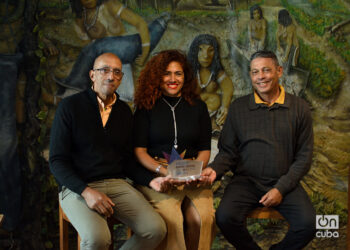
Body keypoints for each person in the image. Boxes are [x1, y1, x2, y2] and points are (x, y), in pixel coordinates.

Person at [49, 52, 167, 250]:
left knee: (155, 229)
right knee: (98, 239)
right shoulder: (70, 107)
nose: (111, 76)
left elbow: (127, 161)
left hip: (115, 184)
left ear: (121, 78)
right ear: (92, 75)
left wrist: (151, 179)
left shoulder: (123, 111)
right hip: (77, 186)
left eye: (117, 72)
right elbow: (57, 160)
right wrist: (85, 191)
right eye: (104, 70)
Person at [202, 50, 315, 250]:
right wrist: (214, 170)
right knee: (225, 217)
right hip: (246, 182)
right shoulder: (238, 108)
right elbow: (228, 151)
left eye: (266, 70)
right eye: (255, 72)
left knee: (308, 225)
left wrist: (281, 188)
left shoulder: (299, 108)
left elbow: (304, 157)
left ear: (279, 71)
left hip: (284, 182)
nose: (260, 77)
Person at [133, 50, 215, 250]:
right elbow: (139, 151)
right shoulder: (145, 107)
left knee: (200, 219)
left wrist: (196, 171)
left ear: (185, 76)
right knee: (172, 220)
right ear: (157, 77)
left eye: (178, 73)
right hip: (159, 174)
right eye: (167, 73)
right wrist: (164, 172)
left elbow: (205, 148)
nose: (173, 79)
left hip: (192, 174)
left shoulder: (199, 107)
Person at [188, 34, 233, 130]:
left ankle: (208, 125)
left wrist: (225, 107)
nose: (206, 55)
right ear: (194, 51)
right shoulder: (189, 71)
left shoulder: (215, 72)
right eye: (201, 49)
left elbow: (228, 88)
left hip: (205, 109)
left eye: (210, 50)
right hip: (187, 109)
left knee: (215, 99)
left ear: (215, 53)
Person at [276, 9, 299, 74]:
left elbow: (290, 44)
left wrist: (286, 56)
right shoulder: (281, 24)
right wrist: (278, 46)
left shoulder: (290, 27)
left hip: (292, 47)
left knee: (285, 62)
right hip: (285, 45)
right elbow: (277, 35)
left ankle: (285, 73)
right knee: (278, 56)